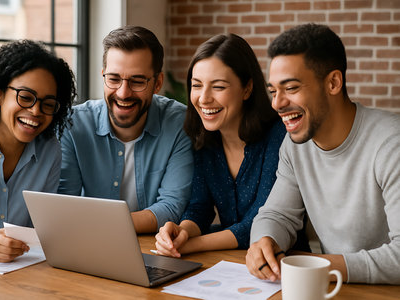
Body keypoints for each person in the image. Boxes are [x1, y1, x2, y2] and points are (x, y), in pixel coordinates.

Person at [246, 23, 400, 284]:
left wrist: (312, 267)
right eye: (273, 91)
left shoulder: (391, 144)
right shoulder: (295, 146)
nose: (277, 103)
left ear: (333, 82)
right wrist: (264, 242)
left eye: (291, 88)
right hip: (336, 289)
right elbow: (277, 215)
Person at [154, 34, 286, 257]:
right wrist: (180, 232)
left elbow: (258, 223)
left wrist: (191, 246)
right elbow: (199, 208)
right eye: (197, 85)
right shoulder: (205, 140)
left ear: (247, 88)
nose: (203, 98)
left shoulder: (278, 136)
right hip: (229, 263)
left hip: (281, 263)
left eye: (218, 87)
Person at [58, 26, 193, 233]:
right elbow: (65, 203)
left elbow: (171, 206)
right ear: (103, 76)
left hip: (154, 248)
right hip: (89, 244)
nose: (123, 93)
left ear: (157, 83)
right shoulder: (74, 125)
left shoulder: (180, 124)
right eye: (113, 79)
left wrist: (100, 225)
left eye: (137, 81)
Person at [0, 40, 76, 262]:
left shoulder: (50, 151)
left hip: (22, 271)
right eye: (25, 97)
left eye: (48, 104)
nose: (35, 111)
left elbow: (43, 228)